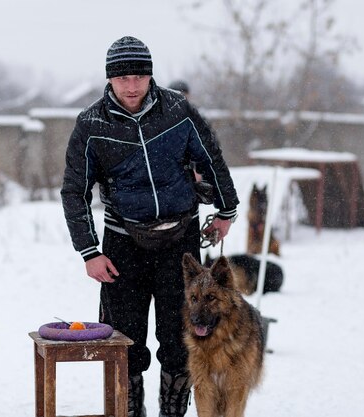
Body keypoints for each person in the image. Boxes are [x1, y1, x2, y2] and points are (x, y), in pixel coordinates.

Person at [61, 36, 239, 417]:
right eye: (122, 77)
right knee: (125, 341)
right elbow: (74, 190)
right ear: (109, 79)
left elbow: (212, 158)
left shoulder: (178, 110)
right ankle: (130, 412)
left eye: (139, 76)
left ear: (150, 75)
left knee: (181, 340)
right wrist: (90, 252)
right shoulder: (90, 124)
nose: (131, 86)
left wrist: (227, 209)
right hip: (123, 243)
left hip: (182, 243)